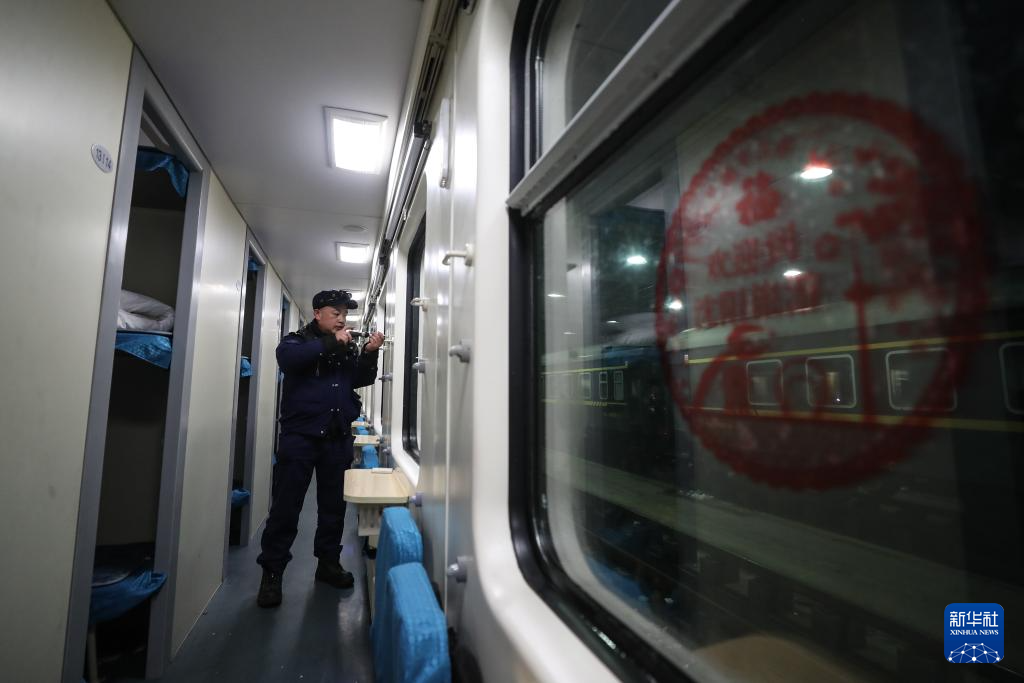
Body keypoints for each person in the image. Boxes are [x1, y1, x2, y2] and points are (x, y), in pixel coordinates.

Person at [256, 289, 384, 608]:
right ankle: (272, 573)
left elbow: (359, 379)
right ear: (317, 314)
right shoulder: (296, 342)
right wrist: (331, 343)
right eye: (336, 312)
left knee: (333, 508)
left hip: (336, 439)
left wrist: (369, 353)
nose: (342, 318)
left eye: (345, 313)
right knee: (286, 507)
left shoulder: (346, 346)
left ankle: (328, 564)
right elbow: (289, 361)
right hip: (300, 438)